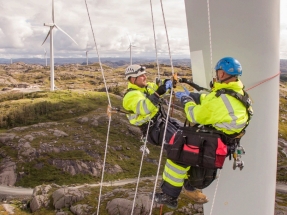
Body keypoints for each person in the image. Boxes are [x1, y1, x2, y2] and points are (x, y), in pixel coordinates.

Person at [151, 57, 253, 209]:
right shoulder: (236, 91)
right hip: (225, 138)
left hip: (217, 139)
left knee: (178, 150)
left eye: (218, 72)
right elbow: (212, 99)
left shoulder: (223, 99)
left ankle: (169, 195)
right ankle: (185, 187)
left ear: (223, 74)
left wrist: (187, 100)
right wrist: (196, 96)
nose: (217, 75)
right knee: (186, 151)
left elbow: (193, 115)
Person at [122, 64, 183, 146]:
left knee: (188, 131)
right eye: (141, 76)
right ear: (133, 79)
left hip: (163, 121)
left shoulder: (147, 87)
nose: (145, 77)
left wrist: (167, 83)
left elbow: (159, 87)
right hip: (153, 130)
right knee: (181, 142)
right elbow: (144, 108)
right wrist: (157, 94)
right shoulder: (130, 96)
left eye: (145, 74)